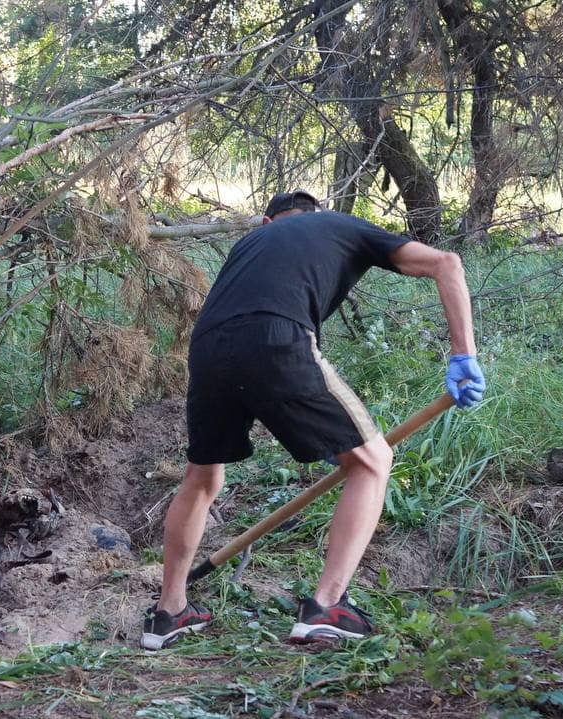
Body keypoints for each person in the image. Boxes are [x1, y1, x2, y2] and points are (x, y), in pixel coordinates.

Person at [141, 190, 485, 651]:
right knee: (372, 461)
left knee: (201, 478)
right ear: (315, 216)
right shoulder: (342, 226)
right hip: (277, 334)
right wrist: (465, 355)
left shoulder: (251, 242)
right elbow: (447, 262)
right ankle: (326, 607)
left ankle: (168, 612)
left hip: (207, 346)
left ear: (268, 220)